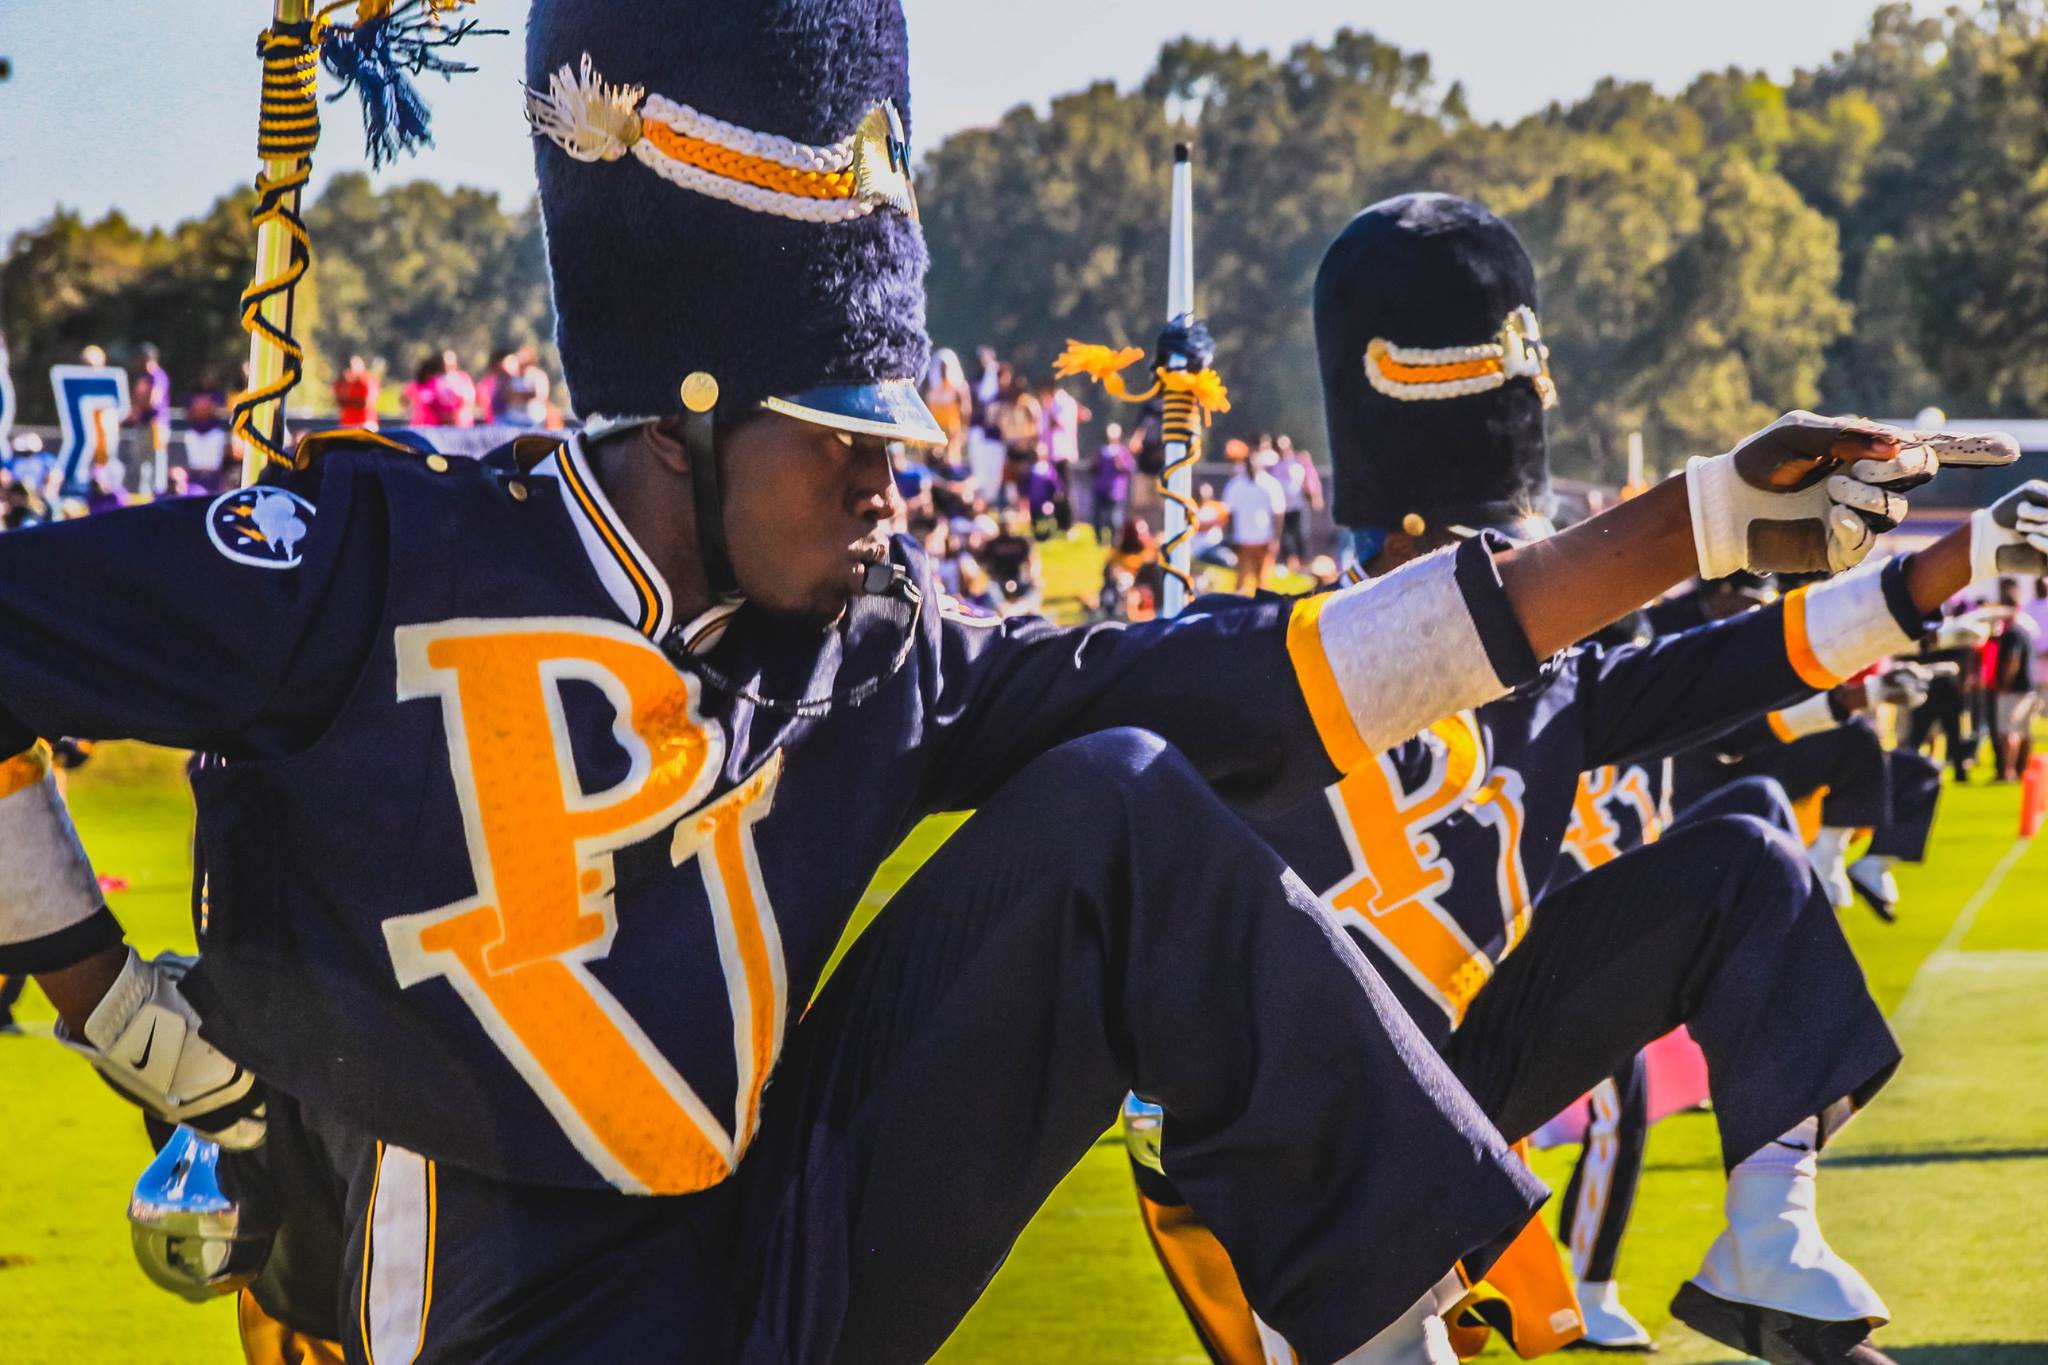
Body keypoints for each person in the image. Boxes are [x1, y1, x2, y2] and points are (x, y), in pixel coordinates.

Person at [1, 35, 1984, 1365]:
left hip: (771, 1272)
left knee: (1126, 797)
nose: (892, 473)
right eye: (841, 430)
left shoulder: (874, 647)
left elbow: (1274, 677)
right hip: (494, 1320)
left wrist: (1696, 522)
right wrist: (111, 1002)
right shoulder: (373, 557)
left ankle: (1374, 1328)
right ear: (688, 406)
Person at [1113, 192, 2035, 1365]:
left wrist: (1957, 557)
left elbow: (1744, 660)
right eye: (1489, 551)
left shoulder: (1554, 677)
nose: (1518, 573)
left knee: (1745, 847)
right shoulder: (1261, 661)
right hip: (1290, 1145)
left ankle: (1765, 1237)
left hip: (1448, 1082)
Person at [1991, 577, 2039, 780]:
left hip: (2014, 689)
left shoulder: (2012, 632)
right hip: (2029, 686)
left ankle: (2008, 771)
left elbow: (2013, 661)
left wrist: (2004, 684)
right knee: (2024, 732)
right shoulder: (2026, 627)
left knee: (2008, 732)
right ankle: (2022, 770)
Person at [1221, 441, 1286, 592]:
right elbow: (1229, 513)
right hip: (1243, 541)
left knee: (1263, 585)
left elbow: (1278, 513)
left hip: (1264, 540)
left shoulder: (1270, 485)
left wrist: (1276, 538)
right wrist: (1230, 537)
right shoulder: (1235, 485)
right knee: (1240, 584)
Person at [1275, 434, 1324, 569]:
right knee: (1286, 536)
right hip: (1282, 507)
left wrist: (1315, 495)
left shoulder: (1299, 462)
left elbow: (1311, 478)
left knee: (1300, 533)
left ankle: (1303, 563)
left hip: (1298, 505)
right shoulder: (1274, 464)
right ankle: (1291, 563)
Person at [130, 344, 172, 495]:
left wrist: (141, 402)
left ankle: (158, 493)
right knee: (142, 462)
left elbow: (153, 401)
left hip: (157, 424)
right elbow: (136, 401)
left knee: (157, 460)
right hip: (143, 423)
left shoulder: (158, 376)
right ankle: (143, 493)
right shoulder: (143, 377)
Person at [1091, 422, 1135, 542]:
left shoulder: (1122, 452)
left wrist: (1120, 464)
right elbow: (1094, 469)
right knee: (1099, 516)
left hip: (1116, 490)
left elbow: (1129, 468)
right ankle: (1099, 538)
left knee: (1114, 517)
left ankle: (1115, 539)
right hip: (1101, 488)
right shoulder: (1102, 451)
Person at [181, 391, 231, 492]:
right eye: (200, 405)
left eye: (206, 406)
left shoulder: (220, 435)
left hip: (215, 482)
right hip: (192, 481)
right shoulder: (187, 435)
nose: (203, 409)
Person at [332, 355, 381, 430]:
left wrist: (349, 401)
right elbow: (339, 402)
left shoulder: (368, 381)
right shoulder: (343, 383)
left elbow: (367, 403)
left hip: (365, 424)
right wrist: (346, 385)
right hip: (347, 424)